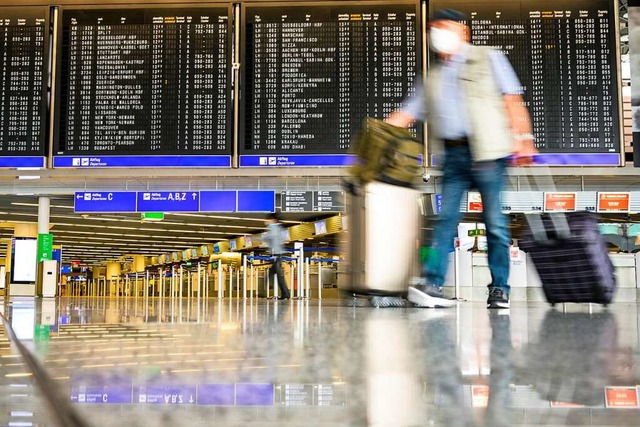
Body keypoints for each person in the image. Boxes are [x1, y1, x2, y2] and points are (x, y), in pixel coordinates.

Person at [387, 8, 537, 309]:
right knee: (445, 221)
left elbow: (512, 99)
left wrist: (525, 140)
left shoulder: (489, 57)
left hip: (489, 154)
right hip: (454, 155)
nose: (436, 33)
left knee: (494, 223)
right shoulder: (431, 78)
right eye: (433, 27)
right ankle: (433, 285)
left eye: (443, 26)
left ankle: (499, 289)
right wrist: (373, 140)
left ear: (462, 31)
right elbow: (405, 115)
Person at [264, 212, 291, 300]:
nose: (267, 221)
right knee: (277, 275)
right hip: (277, 254)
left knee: (273, 275)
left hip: (276, 255)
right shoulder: (280, 228)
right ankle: (285, 293)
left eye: (269, 220)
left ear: (273, 220)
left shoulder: (274, 229)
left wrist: (252, 238)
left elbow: (267, 238)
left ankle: (262, 292)